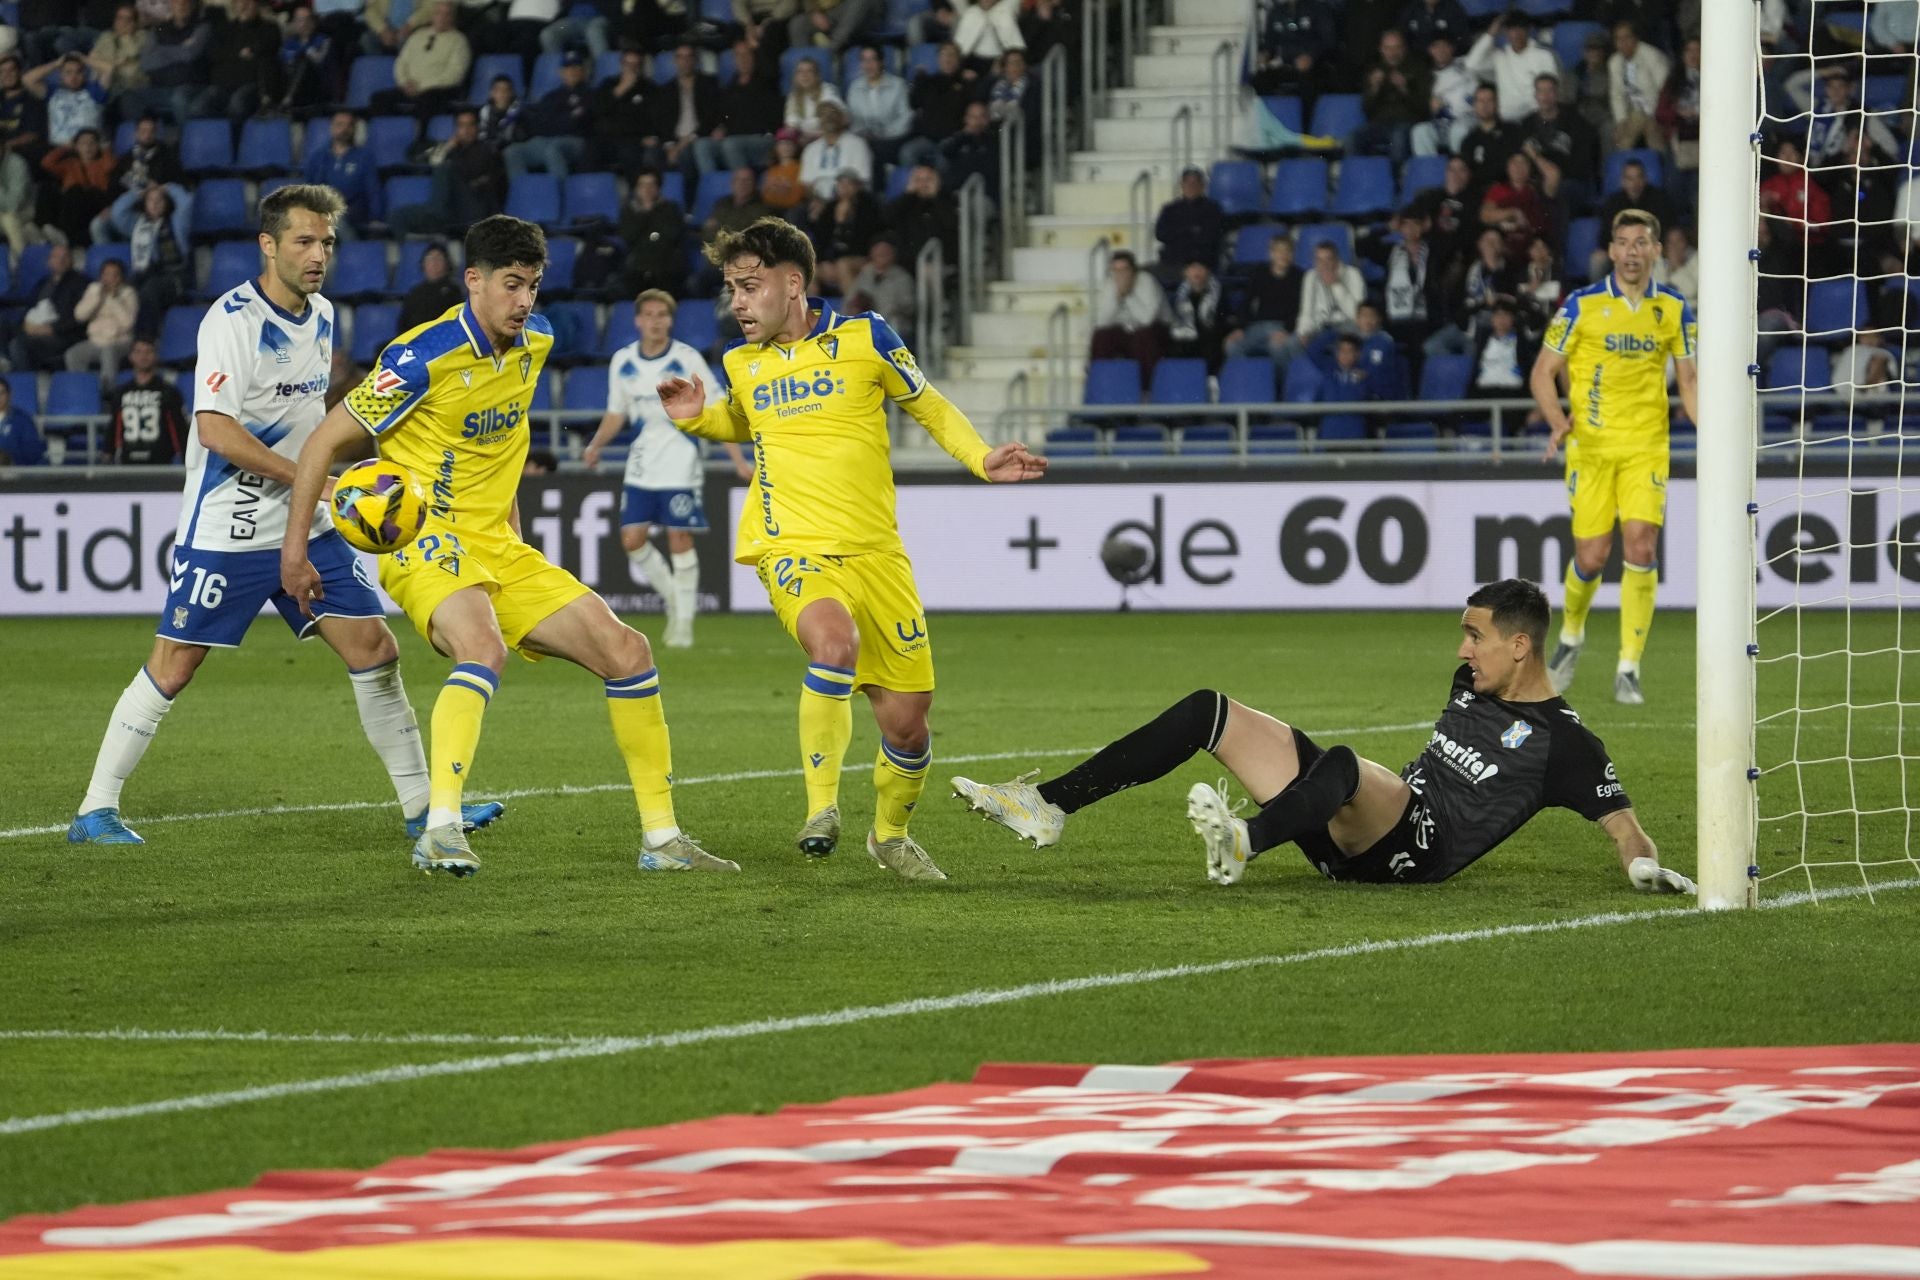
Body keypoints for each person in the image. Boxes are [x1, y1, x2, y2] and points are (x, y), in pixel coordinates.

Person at [281, 215, 731, 877]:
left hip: (499, 544)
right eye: (513, 285)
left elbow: (508, 440)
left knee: (628, 651)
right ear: (474, 282)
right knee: (483, 646)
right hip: (423, 541)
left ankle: (663, 841)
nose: (525, 301)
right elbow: (322, 442)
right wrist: (296, 553)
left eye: (534, 286)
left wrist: (514, 530)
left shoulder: (537, 341)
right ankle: (439, 829)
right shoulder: (419, 358)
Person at [68, 186, 502, 849]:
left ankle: (423, 807)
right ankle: (94, 809)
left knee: (374, 650)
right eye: (303, 241)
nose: (319, 254)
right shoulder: (232, 321)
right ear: (267, 245)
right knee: (175, 665)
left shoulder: (323, 314)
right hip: (230, 526)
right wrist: (316, 480)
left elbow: (314, 422)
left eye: (326, 242)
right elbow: (215, 430)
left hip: (309, 517)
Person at [662, 216, 1047, 878]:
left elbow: (927, 404)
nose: (739, 304)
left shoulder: (867, 338)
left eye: (750, 287)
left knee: (908, 727)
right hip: (791, 546)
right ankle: (821, 810)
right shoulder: (738, 360)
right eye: (732, 290)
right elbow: (744, 419)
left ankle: (889, 835)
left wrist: (981, 458)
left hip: (877, 555)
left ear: (793, 282)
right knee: (833, 644)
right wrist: (700, 416)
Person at [952, 579, 1694, 894]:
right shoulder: (1472, 684)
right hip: (1350, 817)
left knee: (1343, 762)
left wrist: (1642, 869)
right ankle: (1047, 806)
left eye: (1474, 637)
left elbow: (1624, 827)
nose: (1462, 651)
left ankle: (1244, 842)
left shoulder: (1566, 742)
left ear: (1522, 647)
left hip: (1413, 852)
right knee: (1208, 710)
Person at [1529, 209, 1696, 706]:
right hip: (1593, 450)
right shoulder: (1581, 306)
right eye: (1622, 242)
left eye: (1641, 242)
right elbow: (1542, 373)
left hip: (1647, 445)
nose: (1631, 252)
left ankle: (1629, 667)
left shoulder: (1673, 308)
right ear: (1612, 250)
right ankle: (1571, 638)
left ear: (1656, 251)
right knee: (1591, 556)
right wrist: (1559, 422)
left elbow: (1688, 380)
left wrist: (1713, 435)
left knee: (1641, 547)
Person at [582, 289, 750, 648]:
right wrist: (596, 445)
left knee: (679, 537)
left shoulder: (686, 358)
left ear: (670, 320)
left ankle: (683, 626)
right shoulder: (623, 360)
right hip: (642, 458)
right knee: (632, 539)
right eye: (649, 315)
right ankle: (677, 600)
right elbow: (617, 413)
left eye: (662, 315)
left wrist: (737, 460)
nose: (656, 321)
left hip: (680, 454)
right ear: (638, 320)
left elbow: (719, 408)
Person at [107, 336, 188, 463]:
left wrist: (183, 456)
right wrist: (108, 452)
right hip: (127, 464)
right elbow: (114, 427)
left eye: (148, 352)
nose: (143, 356)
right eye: (138, 352)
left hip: (161, 464)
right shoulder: (121, 392)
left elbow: (179, 428)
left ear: (155, 356)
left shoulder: (168, 392)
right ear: (131, 356)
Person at [67, 255, 137, 384]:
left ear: (121, 277)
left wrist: (113, 299)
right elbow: (79, 315)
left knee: (108, 352)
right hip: (95, 341)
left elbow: (128, 323)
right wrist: (97, 298)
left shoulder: (129, 293)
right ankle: (84, 387)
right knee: (73, 354)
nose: (109, 279)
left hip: (120, 342)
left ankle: (107, 391)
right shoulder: (93, 289)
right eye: (106, 274)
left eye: (114, 275)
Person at [397, 242, 463, 332]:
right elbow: (403, 323)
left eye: (439, 259)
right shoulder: (415, 292)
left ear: (447, 264)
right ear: (423, 264)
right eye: (430, 259)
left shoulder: (453, 291)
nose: (434, 263)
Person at [0, 379, 46, 466]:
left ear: (9, 395)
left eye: (2, 393)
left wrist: (8, 457)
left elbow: (33, 452)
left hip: (15, 472)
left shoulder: (23, 419)